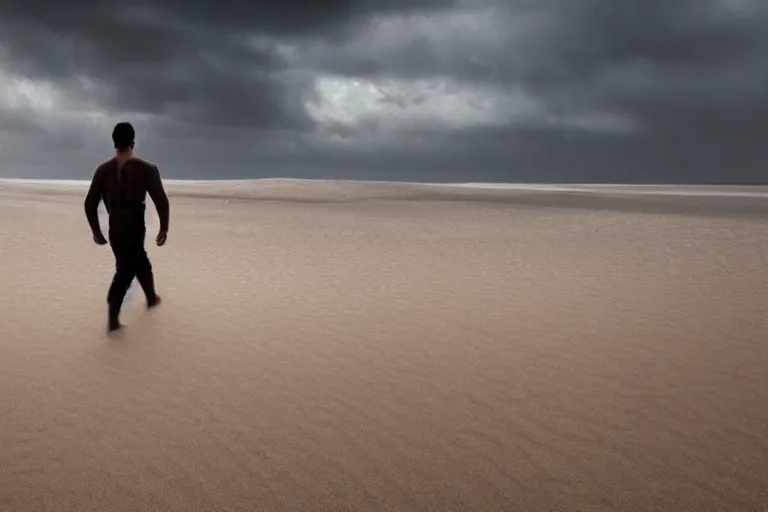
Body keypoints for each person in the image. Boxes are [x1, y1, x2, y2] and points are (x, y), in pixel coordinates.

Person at [84, 122, 170, 332]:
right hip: (134, 227)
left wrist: (96, 231)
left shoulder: (103, 170)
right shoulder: (147, 169)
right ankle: (112, 321)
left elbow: (90, 204)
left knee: (140, 262)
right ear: (133, 142)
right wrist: (164, 228)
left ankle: (151, 298)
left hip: (115, 229)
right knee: (125, 272)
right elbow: (161, 201)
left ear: (115, 144)